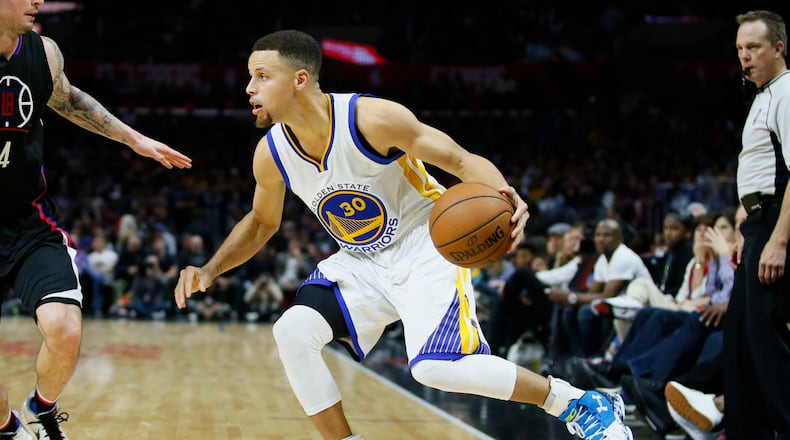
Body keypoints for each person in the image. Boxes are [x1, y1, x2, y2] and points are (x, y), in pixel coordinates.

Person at [174, 29, 633, 440]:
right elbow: (261, 222)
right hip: (360, 259)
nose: (249, 88)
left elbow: (456, 159)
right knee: (292, 331)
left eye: (260, 75)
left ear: (299, 79)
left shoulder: (370, 118)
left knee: (436, 368)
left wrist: (505, 196)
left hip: (426, 244)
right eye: (249, 77)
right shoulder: (270, 153)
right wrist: (210, 269)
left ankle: (575, 401)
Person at [0, 1, 192, 438]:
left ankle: (43, 408)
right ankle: (7, 428)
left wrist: (134, 139)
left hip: (30, 221)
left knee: (65, 330)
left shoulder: (43, 51)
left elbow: (67, 98)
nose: (39, 1)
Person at [726, 10, 790, 439]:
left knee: (766, 342)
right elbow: (761, 169)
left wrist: (778, 240)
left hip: (775, 226)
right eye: (739, 50)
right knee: (741, 342)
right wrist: (741, 224)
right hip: (757, 224)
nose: (744, 57)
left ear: (779, 48)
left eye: (753, 48)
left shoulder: (787, 90)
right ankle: (746, 430)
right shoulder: (763, 94)